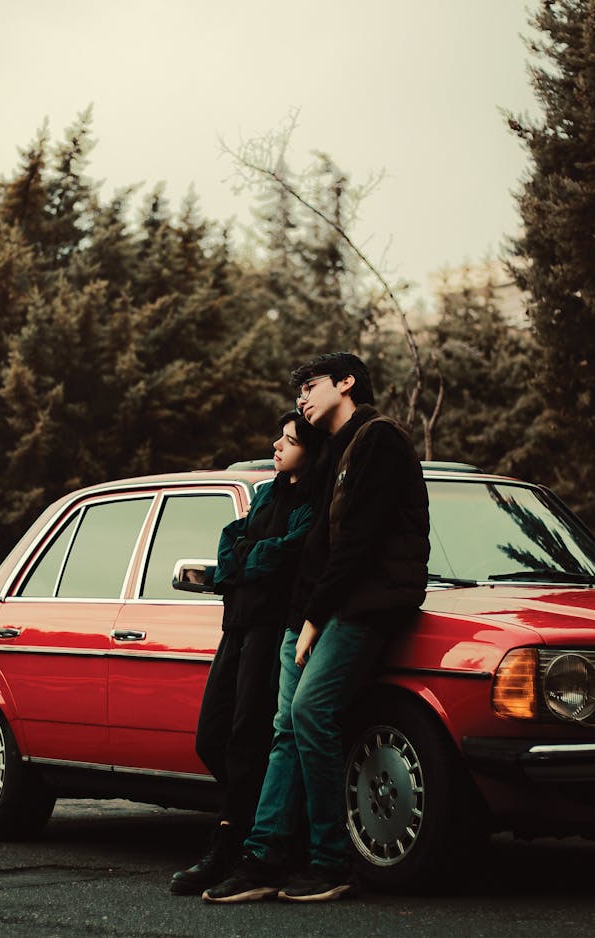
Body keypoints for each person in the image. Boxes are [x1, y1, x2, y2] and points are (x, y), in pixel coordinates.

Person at [203, 352, 430, 904]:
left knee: (310, 713)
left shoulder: (379, 440)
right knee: (286, 727)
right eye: (298, 388)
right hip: (309, 611)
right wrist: (299, 614)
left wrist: (312, 619)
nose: (302, 396)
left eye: (311, 385)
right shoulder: (331, 453)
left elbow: (358, 543)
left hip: (362, 606)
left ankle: (331, 861)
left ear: (347, 382)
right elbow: (314, 544)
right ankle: (264, 857)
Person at [170, 411, 326, 896]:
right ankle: (251, 823)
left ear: (312, 450)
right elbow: (231, 543)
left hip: (272, 627)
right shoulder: (265, 493)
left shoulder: (313, 502)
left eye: (289, 439)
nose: (276, 446)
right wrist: (245, 561)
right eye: (278, 437)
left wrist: (245, 561)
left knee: (247, 739)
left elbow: (285, 554)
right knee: (212, 737)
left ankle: (232, 844)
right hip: (236, 625)